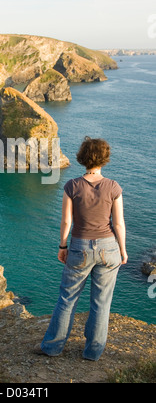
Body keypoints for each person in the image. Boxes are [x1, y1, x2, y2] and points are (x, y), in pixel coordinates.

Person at [35, 136, 128, 361]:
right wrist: (123, 251)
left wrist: (62, 245)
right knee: (101, 302)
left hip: (79, 247)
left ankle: (53, 347)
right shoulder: (114, 187)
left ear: (81, 158)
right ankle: (92, 352)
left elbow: (67, 221)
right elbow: (118, 223)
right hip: (109, 248)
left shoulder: (72, 186)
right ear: (104, 159)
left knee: (67, 298)